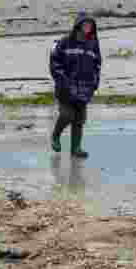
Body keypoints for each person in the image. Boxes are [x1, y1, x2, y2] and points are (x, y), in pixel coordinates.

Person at [49, 11, 101, 159]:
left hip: (85, 89)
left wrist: (95, 82)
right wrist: (63, 81)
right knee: (67, 115)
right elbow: (54, 62)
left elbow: (97, 64)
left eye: (90, 25)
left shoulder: (93, 44)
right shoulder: (65, 41)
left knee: (79, 120)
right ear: (78, 25)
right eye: (85, 24)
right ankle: (55, 136)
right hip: (65, 88)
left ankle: (76, 148)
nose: (88, 27)